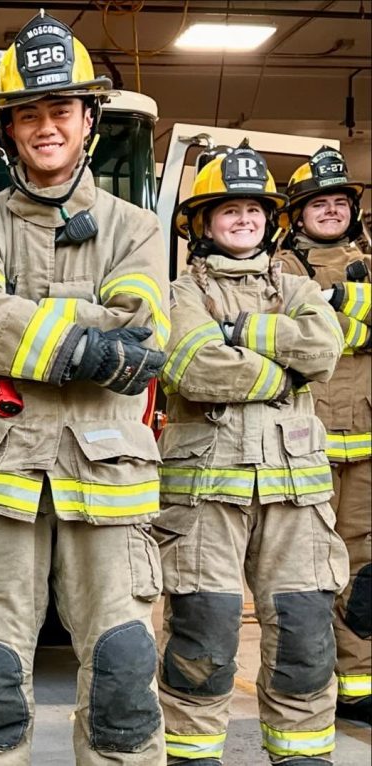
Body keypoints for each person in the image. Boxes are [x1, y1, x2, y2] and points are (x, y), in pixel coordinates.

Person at [0, 11, 169, 764]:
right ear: (5, 132)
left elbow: (141, 336)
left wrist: (28, 331)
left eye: (59, 109)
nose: (44, 127)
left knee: (125, 687)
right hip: (2, 482)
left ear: (88, 118)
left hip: (109, 487)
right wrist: (83, 336)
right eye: (25, 114)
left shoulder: (136, 229)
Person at [154, 142, 348, 765]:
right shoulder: (180, 294)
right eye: (229, 211)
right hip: (205, 492)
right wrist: (283, 377)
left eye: (255, 210)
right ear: (202, 224)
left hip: (295, 492)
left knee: (304, 639)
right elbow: (192, 367)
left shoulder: (298, 287)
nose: (245, 221)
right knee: (202, 639)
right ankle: (191, 757)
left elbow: (323, 350)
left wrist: (242, 334)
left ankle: (302, 756)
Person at [273, 147, 370, 724]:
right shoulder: (278, 269)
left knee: (365, 563)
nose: (331, 211)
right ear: (297, 213)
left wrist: (333, 307)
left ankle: (359, 684)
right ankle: (309, 688)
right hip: (300, 444)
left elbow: (319, 328)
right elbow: (293, 335)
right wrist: (350, 321)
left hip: (365, 439)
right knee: (304, 568)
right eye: (319, 203)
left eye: (340, 202)